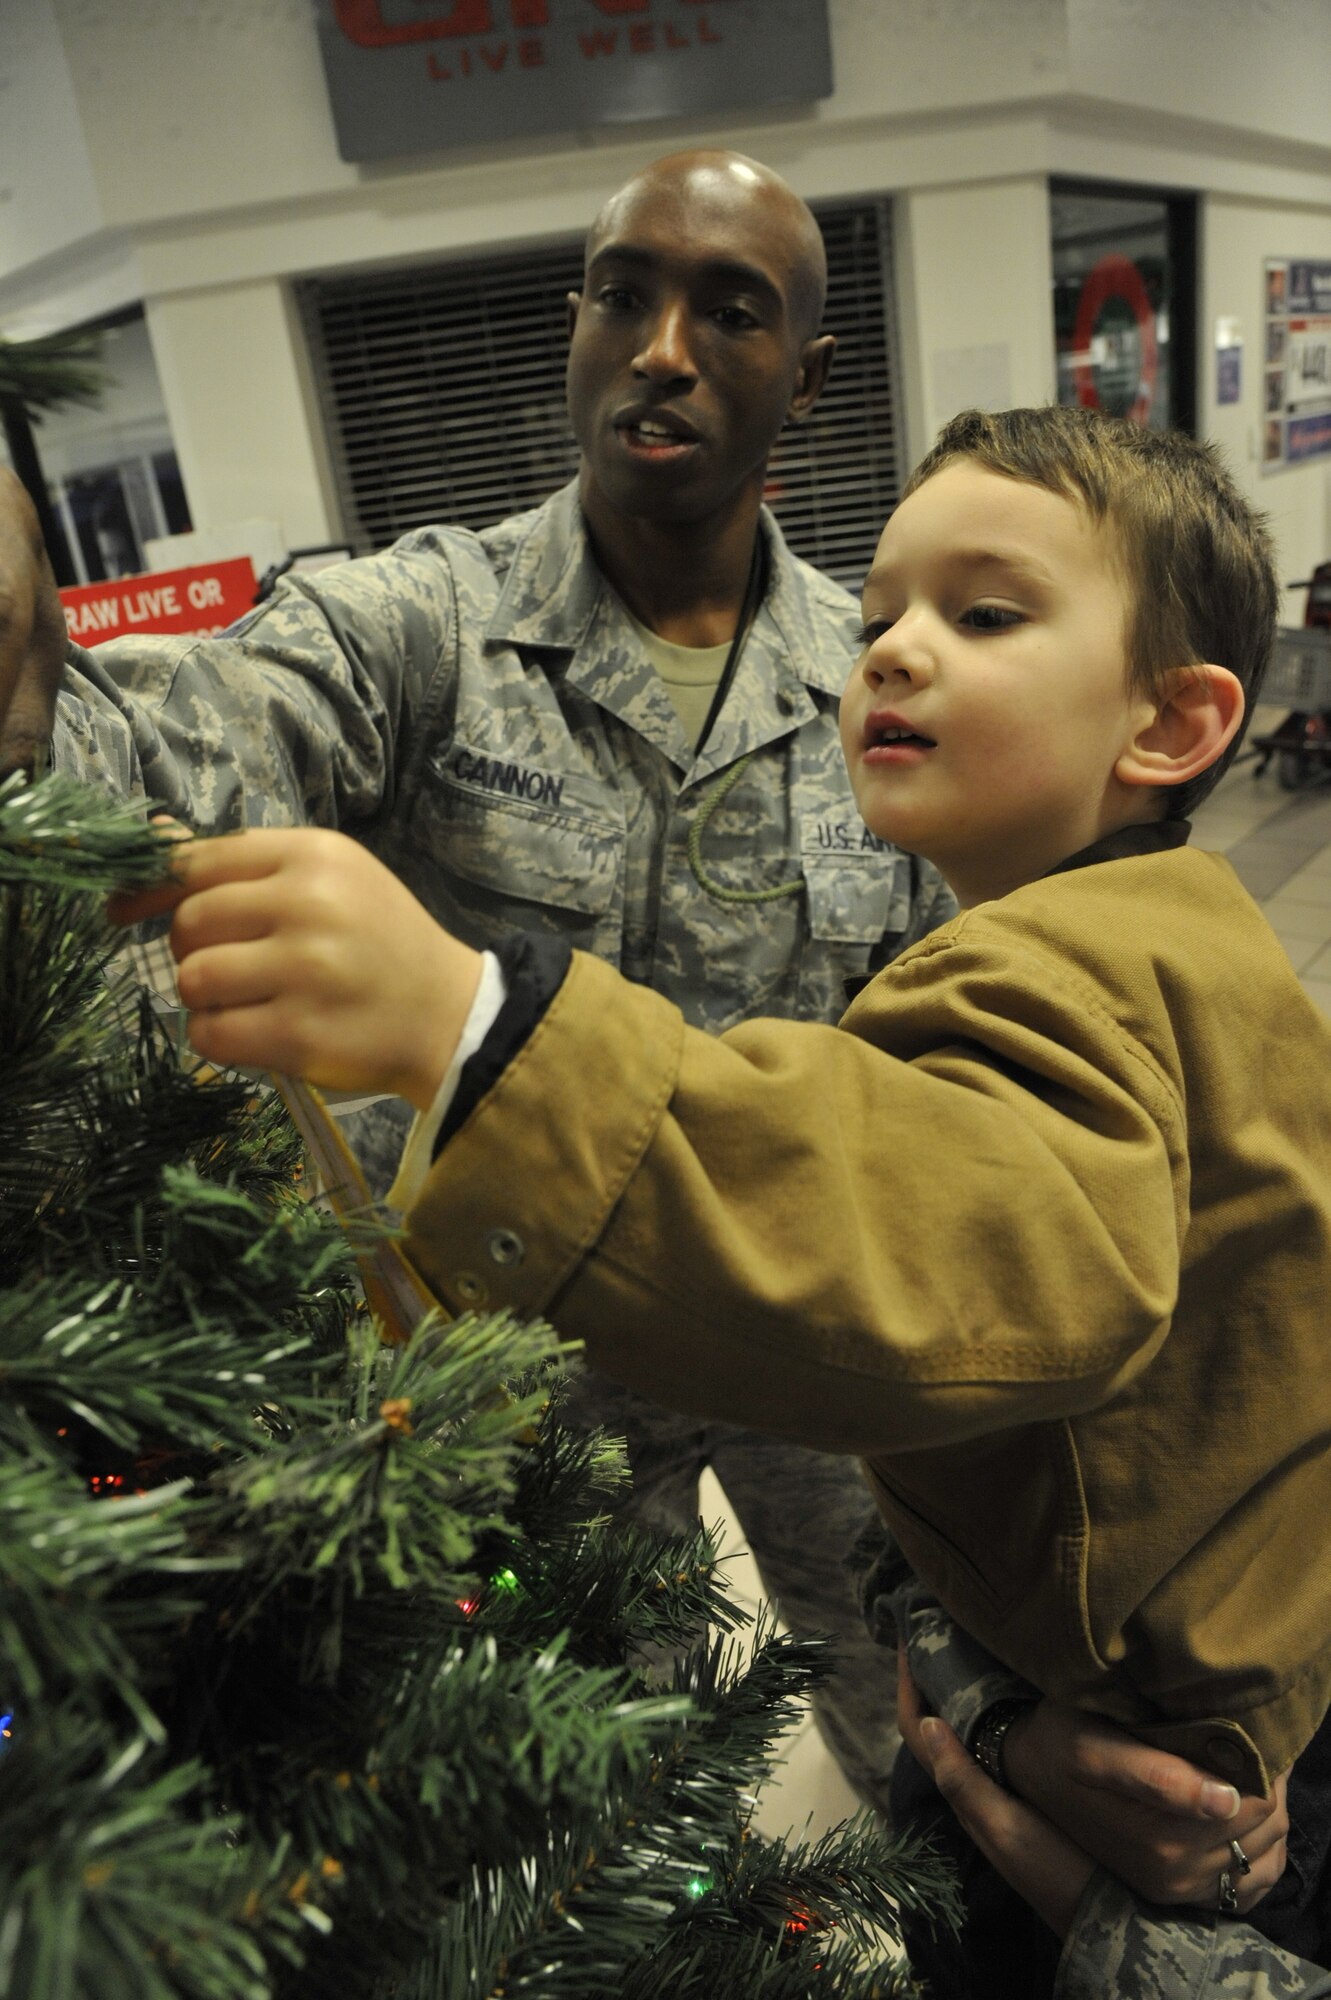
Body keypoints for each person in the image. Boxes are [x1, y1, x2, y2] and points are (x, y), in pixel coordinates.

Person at [112, 403, 1331, 1995]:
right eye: (883, 609)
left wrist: (473, 1031)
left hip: (1131, 1785)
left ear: (1170, 727)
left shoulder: (1060, 971)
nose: (886, 653)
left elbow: (955, 1248)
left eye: (982, 614)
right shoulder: (1195, 937)